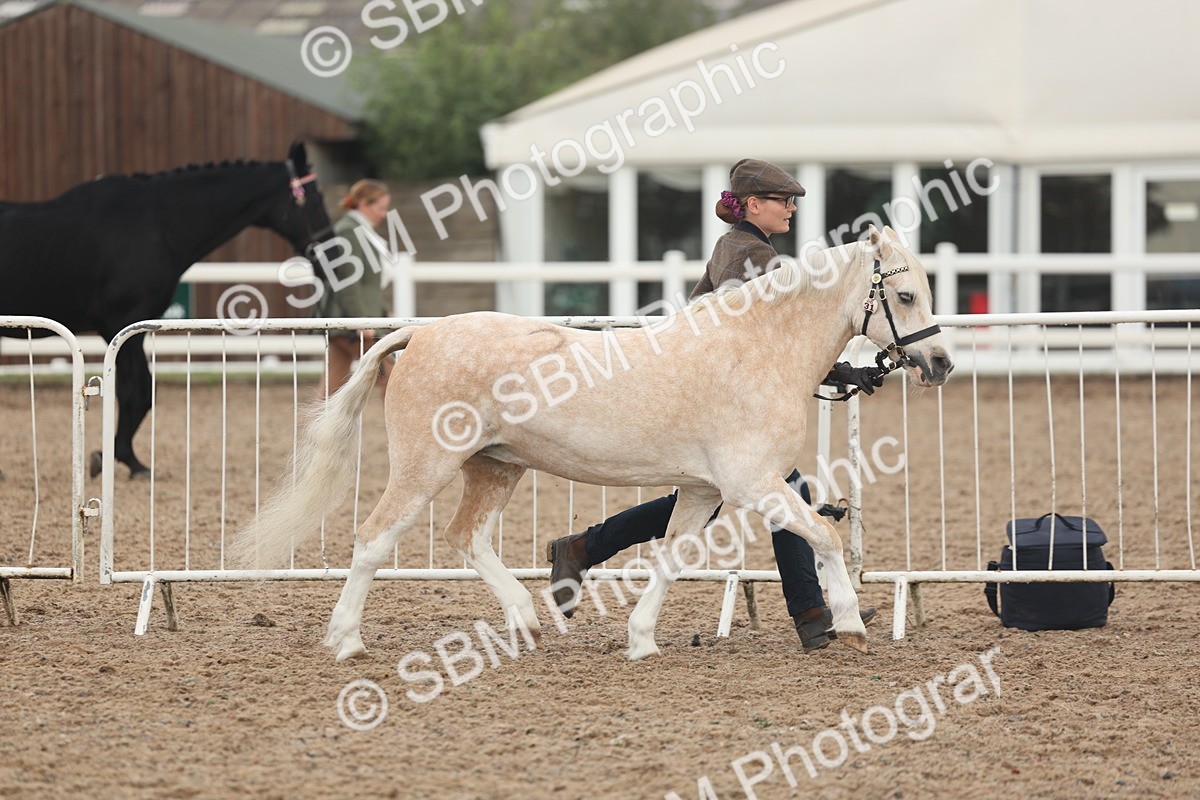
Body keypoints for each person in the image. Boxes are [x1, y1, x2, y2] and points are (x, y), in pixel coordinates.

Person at [546, 158, 883, 652]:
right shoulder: (742, 253)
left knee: (720, 497)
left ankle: (583, 548)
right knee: (778, 489)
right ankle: (812, 613)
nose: (792, 208)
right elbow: (748, 337)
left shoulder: (755, 250)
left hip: (721, 406)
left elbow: (774, 345)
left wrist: (839, 370)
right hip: (706, 406)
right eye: (783, 200)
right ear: (753, 205)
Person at [315, 179, 397, 397]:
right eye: (380, 208)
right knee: (392, 378)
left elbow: (369, 282)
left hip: (350, 321)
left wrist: (384, 310)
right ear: (363, 204)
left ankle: (315, 431)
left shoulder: (359, 230)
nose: (384, 214)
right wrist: (360, 318)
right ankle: (407, 429)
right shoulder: (349, 232)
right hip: (353, 322)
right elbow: (348, 281)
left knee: (331, 388)